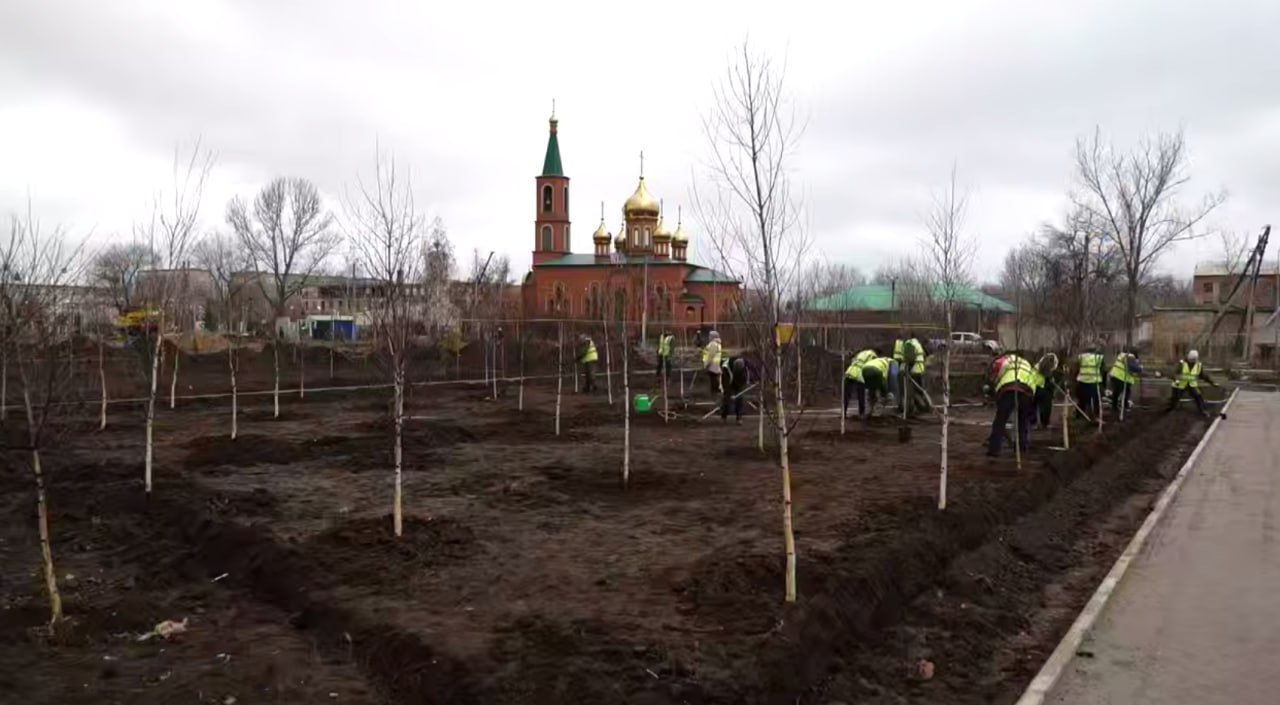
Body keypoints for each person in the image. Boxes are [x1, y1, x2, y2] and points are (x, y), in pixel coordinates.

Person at [985, 352, 1041, 458]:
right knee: (1023, 421)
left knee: (1000, 421)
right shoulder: (1026, 363)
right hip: (1026, 391)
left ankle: (994, 450)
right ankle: (1022, 447)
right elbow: (1034, 379)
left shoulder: (1005, 359)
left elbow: (996, 372)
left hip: (1008, 390)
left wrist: (993, 390)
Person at [1166, 349, 1218, 416]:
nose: (1192, 361)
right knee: (1175, 398)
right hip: (1180, 385)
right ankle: (1170, 410)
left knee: (1199, 397)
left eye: (1193, 359)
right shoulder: (1182, 363)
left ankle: (1203, 411)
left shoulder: (1198, 365)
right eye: (1191, 359)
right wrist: (1175, 379)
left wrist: (1212, 383)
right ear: (1188, 357)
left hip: (1192, 385)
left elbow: (1203, 375)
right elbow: (1174, 372)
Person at [842, 347, 880, 419]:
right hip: (859, 374)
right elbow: (872, 367)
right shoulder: (873, 355)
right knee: (861, 394)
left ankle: (844, 413)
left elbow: (853, 360)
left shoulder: (861, 353)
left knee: (846, 394)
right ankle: (861, 413)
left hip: (850, 371)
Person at [858, 355, 898, 419]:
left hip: (864, 369)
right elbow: (889, 378)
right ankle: (876, 413)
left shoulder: (879, 360)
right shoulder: (892, 363)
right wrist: (887, 392)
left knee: (871, 391)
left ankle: (870, 410)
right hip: (877, 372)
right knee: (886, 396)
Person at [1074, 342, 1105, 421]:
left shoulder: (1081, 357)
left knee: (1082, 400)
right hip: (1094, 382)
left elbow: (1076, 369)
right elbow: (1103, 370)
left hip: (1082, 381)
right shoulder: (1099, 358)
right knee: (1096, 401)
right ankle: (1096, 416)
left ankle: (1079, 415)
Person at [1108, 349, 1144, 414]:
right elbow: (1133, 368)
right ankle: (1125, 406)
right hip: (1121, 378)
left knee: (1116, 392)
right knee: (1126, 392)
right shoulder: (1130, 357)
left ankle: (1114, 407)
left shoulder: (1122, 355)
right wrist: (1140, 368)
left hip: (1114, 375)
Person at [720, 355, 751, 424]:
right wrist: (729, 393)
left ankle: (739, 418)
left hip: (738, 382)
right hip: (728, 381)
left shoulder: (745, 365)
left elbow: (752, 371)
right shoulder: (726, 367)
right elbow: (725, 382)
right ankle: (724, 416)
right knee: (727, 399)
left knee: (739, 398)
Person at [1033, 352, 1059, 429]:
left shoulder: (1037, 366)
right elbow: (1048, 378)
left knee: (1034, 406)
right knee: (1046, 405)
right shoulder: (1045, 367)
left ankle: (1034, 423)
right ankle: (1044, 423)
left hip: (1034, 387)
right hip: (1040, 386)